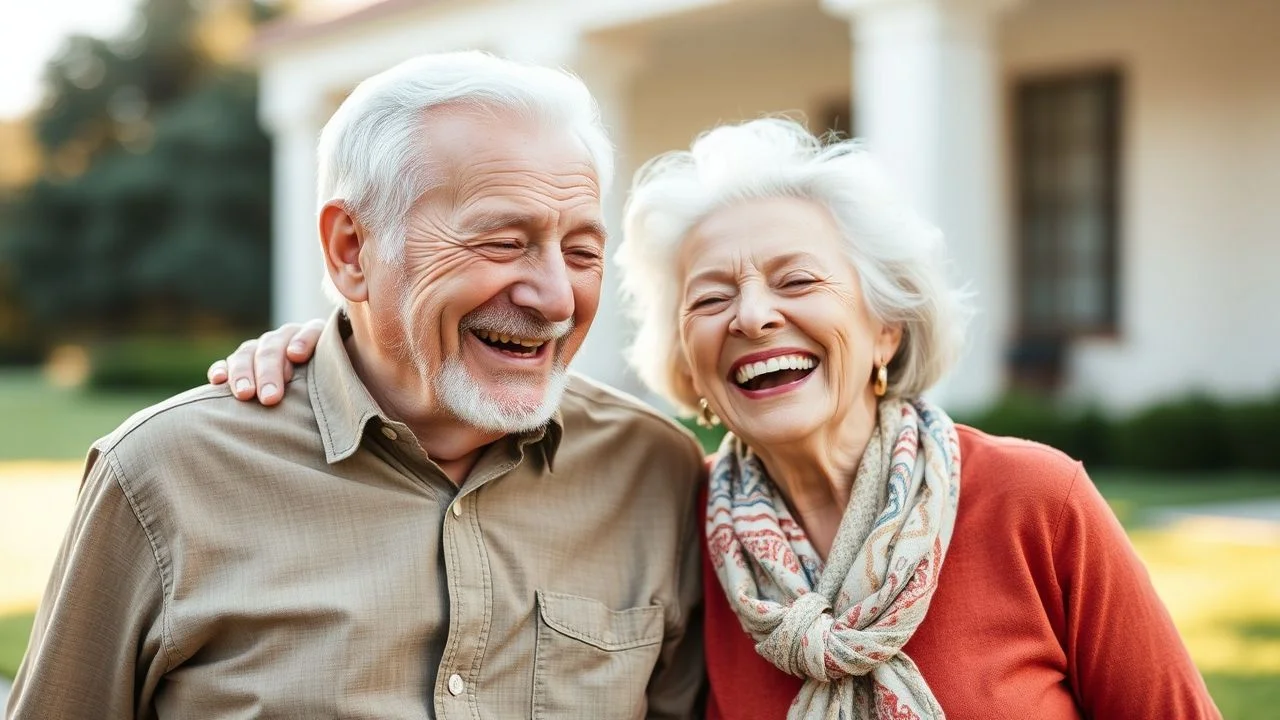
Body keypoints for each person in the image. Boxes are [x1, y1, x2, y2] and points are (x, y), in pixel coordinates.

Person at [214, 119, 1220, 718]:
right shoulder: (669, 519)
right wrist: (337, 343)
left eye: (796, 280)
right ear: (685, 363)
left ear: (881, 328)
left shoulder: (1030, 500)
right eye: (709, 298)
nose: (751, 317)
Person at [8, 52, 705, 719]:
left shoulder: (656, 472)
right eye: (501, 241)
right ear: (351, 250)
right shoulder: (162, 476)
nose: (556, 298)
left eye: (581, 252)